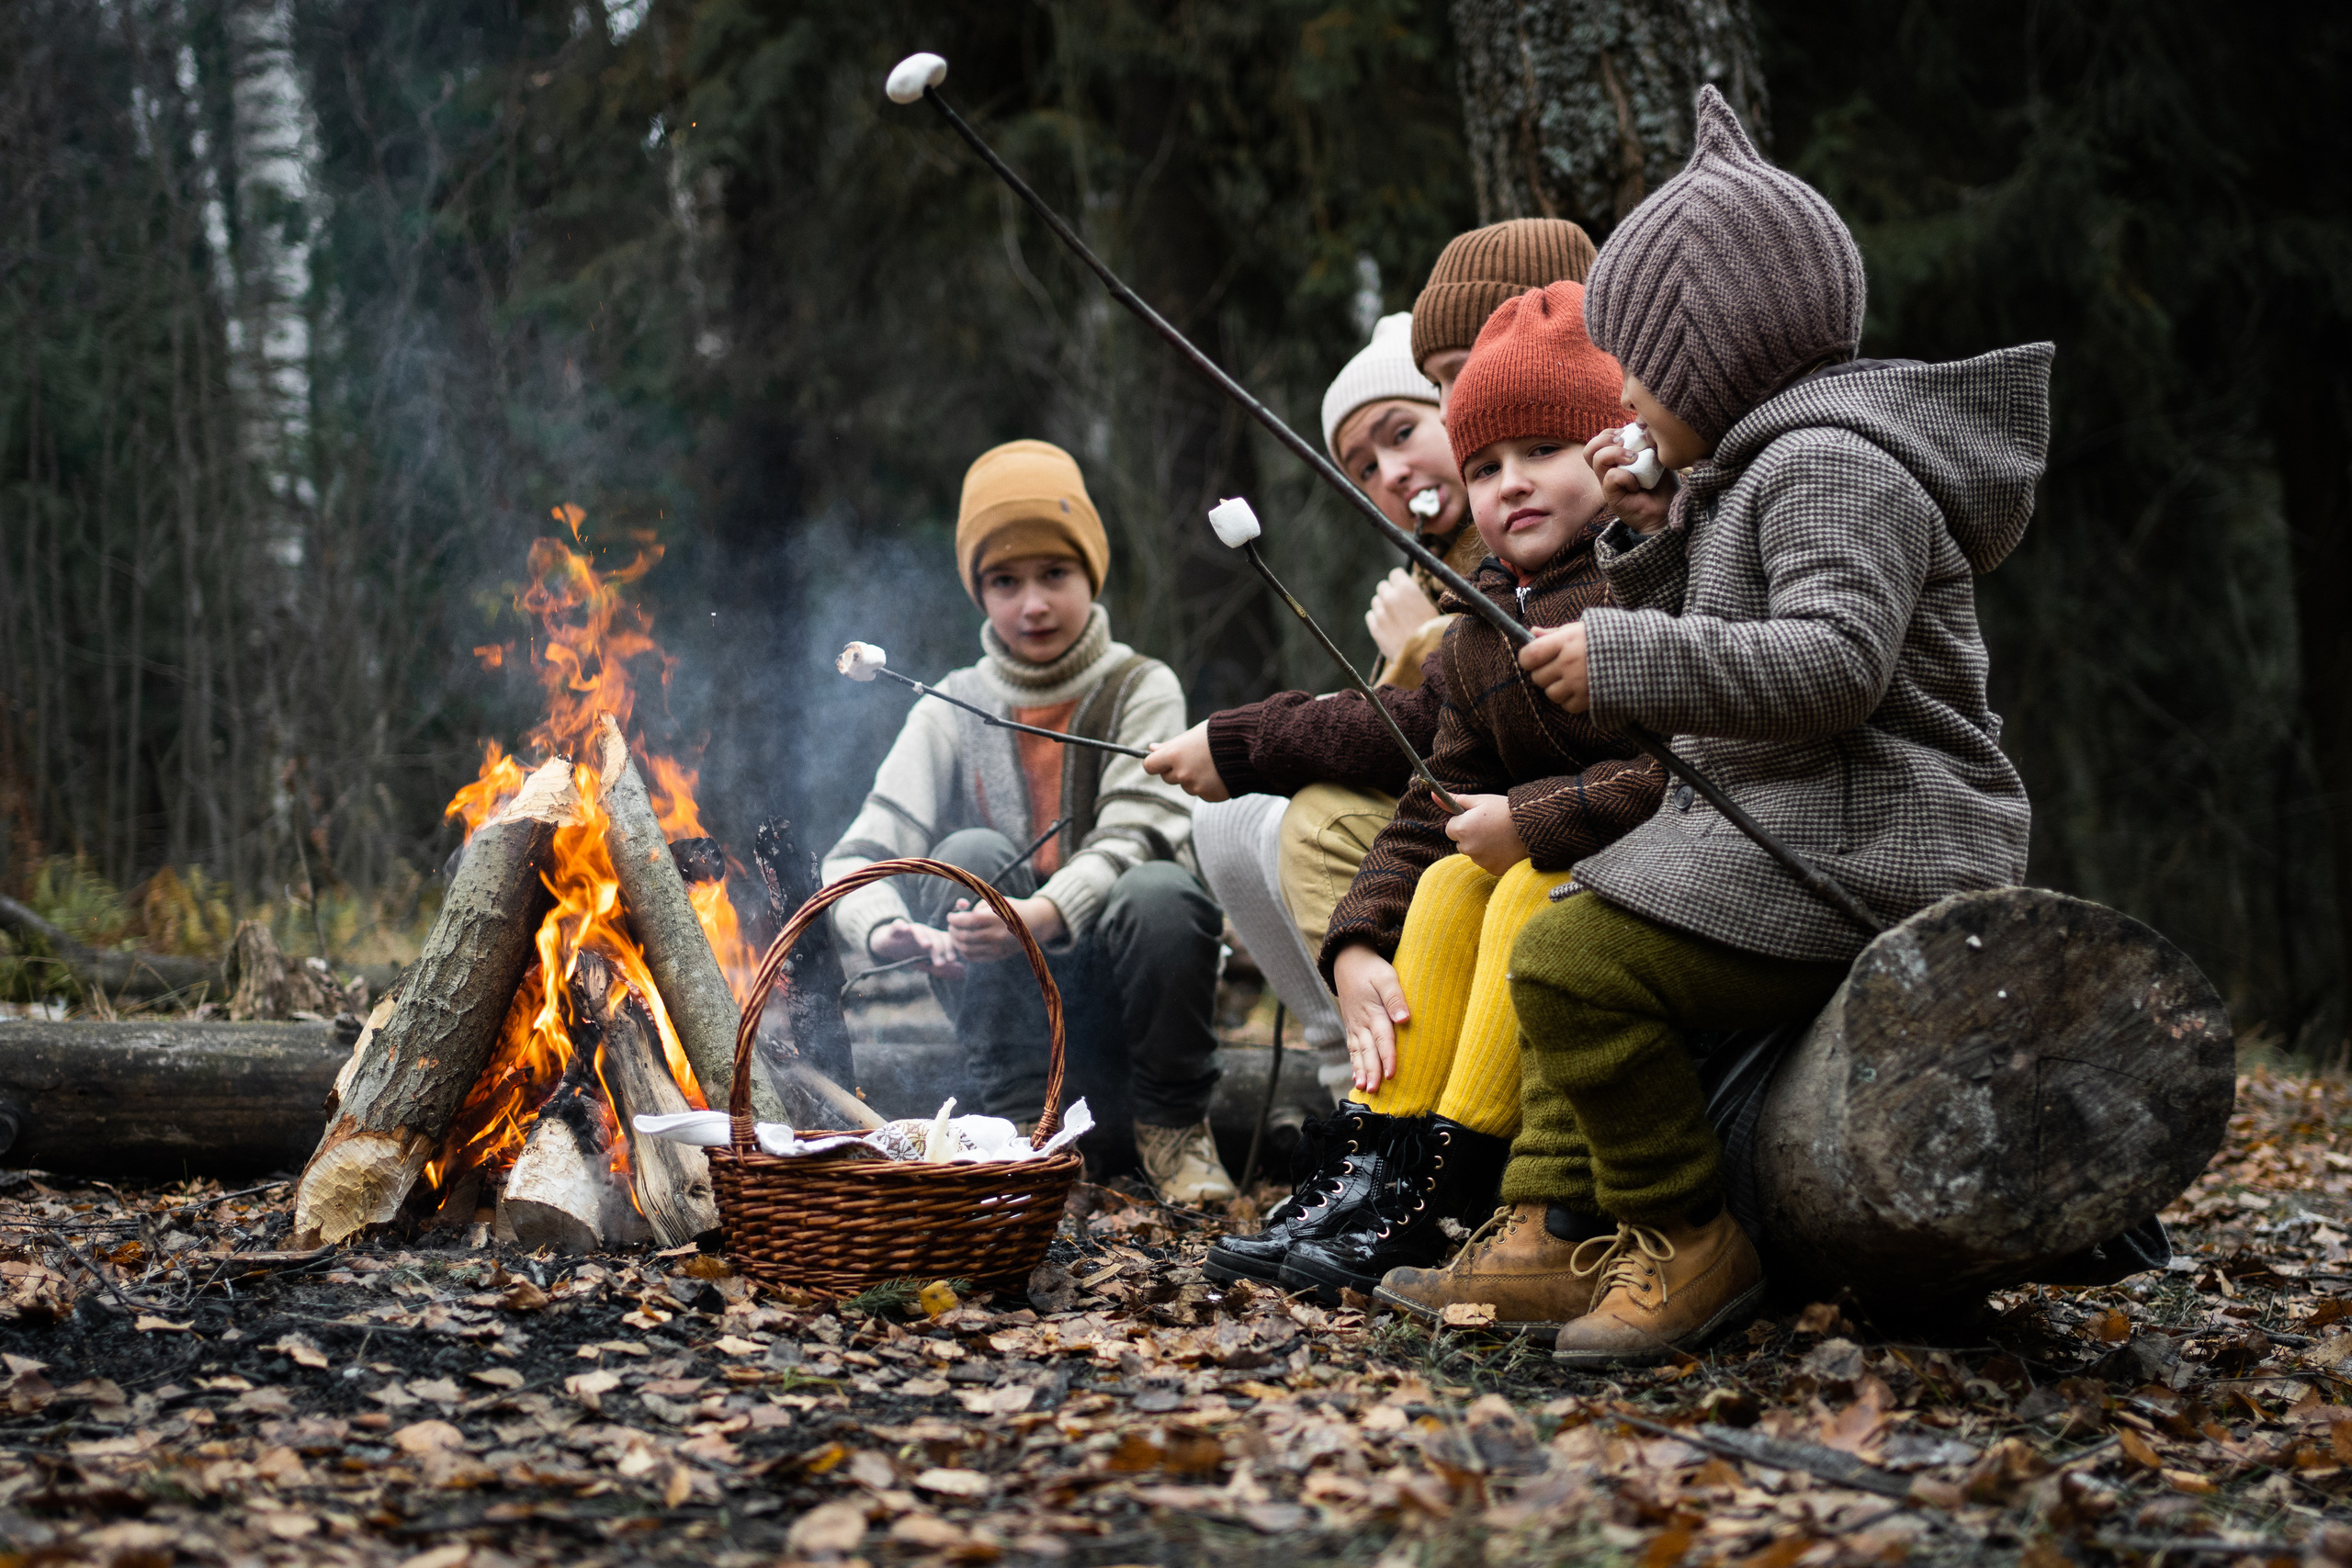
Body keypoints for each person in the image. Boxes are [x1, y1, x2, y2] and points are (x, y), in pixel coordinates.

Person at [1390, 88, 2047, 1365]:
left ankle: (1685, 1233)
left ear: (1709, 363)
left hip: (1876, 849)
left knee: (1575, 963)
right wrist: (1652, 525)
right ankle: (1549, 1226)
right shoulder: (1769, 467)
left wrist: (1630, 649)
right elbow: (1736, 608)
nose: (1623, 396)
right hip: (1791, 827)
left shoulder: (1834, 467)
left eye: (1636, 368)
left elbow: (1833, 663)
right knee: (1571, 914)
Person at [1227, 282, 1664, 1304]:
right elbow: (1434, 798)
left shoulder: (1647, 587)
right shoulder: (1475, 633)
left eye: (1541, 453)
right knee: (1446, 885)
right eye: (1483, 467)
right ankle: (1383, 1160)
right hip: (1554, 848)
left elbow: (1686, 774)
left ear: (1608, 450)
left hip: (1647, 870)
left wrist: (1537, 818)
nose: (1509, 485)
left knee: (1516, 888)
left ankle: (1455, 1180)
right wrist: (1354, 941)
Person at [1148, 220, 1600, 1120]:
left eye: (1408, 428)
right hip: (1490, 821)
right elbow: (1441, 740)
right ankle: (1363, 1095)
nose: (1394, 473)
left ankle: (1397, 1103)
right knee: (1259, 828)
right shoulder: (1466, 564)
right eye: (1364, 466)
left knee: (1315, 825)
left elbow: (1419, 729)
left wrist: (1253, 734)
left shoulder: (1564, 548)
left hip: (1567, 833)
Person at [820, 439, 1238, 1205]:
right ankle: (1021, 1135)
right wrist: (890, 933)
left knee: (1159, 887)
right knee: (968, 852)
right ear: (978, 594)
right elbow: (855, 856)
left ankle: (1174, 1128)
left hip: (1130, 1002)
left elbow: (1139, 829)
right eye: (1004, 581)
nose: (1033, 603)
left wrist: (1038, 914)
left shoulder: (1142, 686)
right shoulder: (953, 703)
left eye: (1055, 574)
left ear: (1091, 575)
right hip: (1016, 1028)